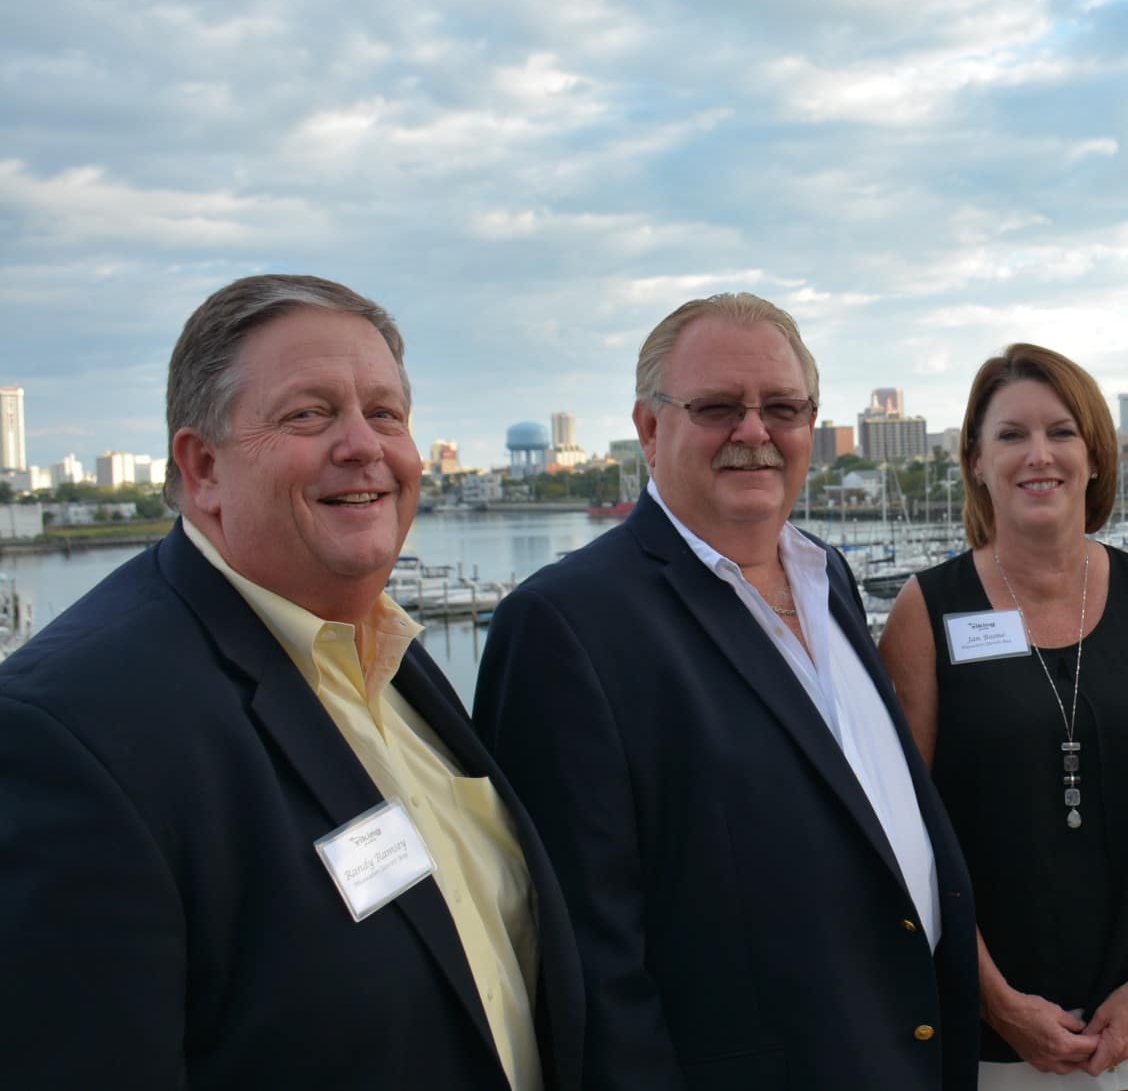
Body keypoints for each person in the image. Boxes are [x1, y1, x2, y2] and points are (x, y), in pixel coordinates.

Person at [0, 275, 584, 1091]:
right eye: (310, 414)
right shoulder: (69, 734)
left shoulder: (384, 651)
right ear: (203, 466)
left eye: (385, 413)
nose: (363, 445)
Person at [473, 292, 979, 1091]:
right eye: (717, 407)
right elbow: (593, 966)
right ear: (649, 428)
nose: (754, 431)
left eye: (782, 407)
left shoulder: (827, 575)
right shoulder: (563, 626)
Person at [880, 344, 1128, 1090]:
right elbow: (904, 832)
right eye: (1012, 434)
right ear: (976, 461)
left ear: (1094, 455)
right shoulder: (924, 612)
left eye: (1061, 431)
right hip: (990, 1034)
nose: (1039, 454)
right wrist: (995, 999)